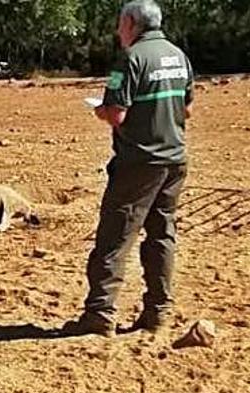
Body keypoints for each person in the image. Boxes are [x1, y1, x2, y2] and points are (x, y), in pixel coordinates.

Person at [64, 0, 194, 337]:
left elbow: (117, 113)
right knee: (162, 236)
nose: (117, 30)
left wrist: (102, 111)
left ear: (133, 23)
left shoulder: (131, 59)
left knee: (114, 238)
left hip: (138, 162)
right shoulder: (179, 56)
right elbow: (187, 109)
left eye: (120, 24)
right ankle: (158, 312)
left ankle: (100, 314)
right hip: (175, 159)